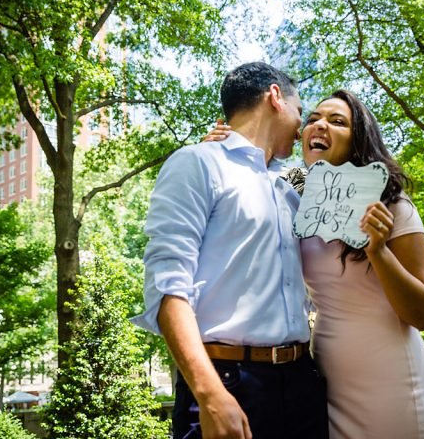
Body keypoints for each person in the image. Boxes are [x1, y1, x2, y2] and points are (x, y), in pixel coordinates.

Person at [206, 89, 424, 438]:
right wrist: (219, 150)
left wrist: (378, 251)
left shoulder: (391, 204)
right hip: (323, 376)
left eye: (337, 121)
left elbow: (422, 314)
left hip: (389, 378)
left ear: (358, 139)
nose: (318, 126)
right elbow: (244, 184)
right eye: (313, 118)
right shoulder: (292, 194)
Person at [134, 62, 329, 439]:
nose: (302, 126)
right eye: (300, 112)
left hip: (302, 382)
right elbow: (167, 285)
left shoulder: (290, 187)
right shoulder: (197, 162)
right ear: (275, 97)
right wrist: (209, 393)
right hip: (227, 382)